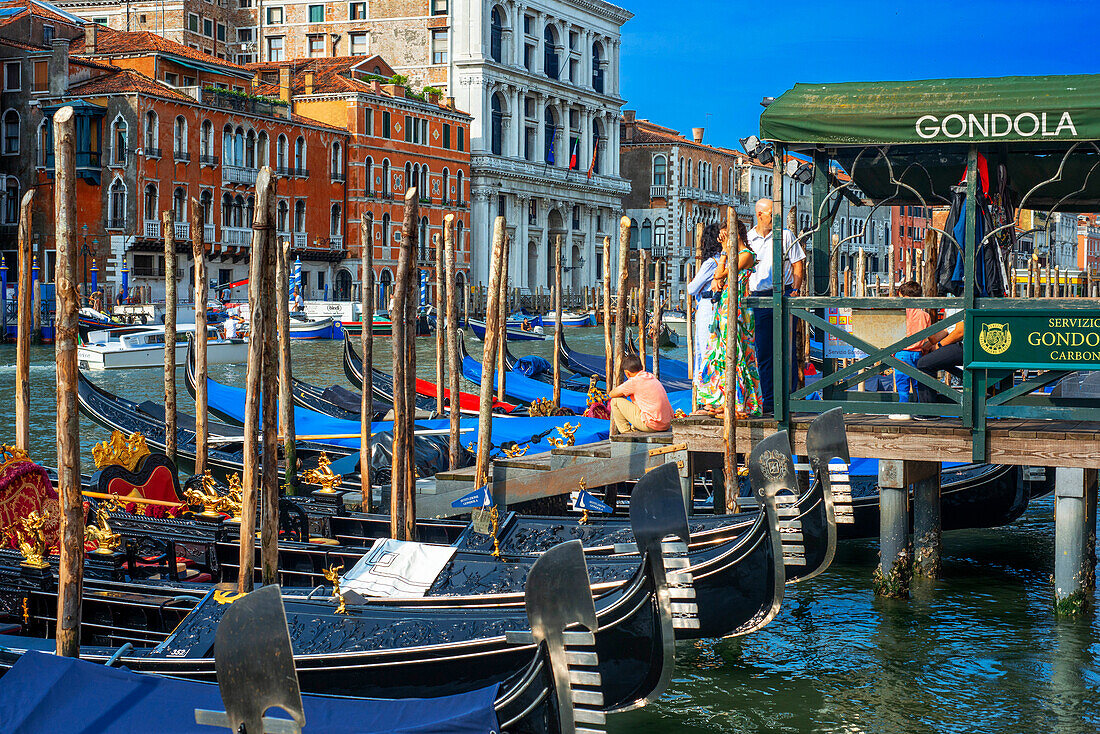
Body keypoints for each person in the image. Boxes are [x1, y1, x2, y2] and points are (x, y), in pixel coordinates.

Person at [696, 218, 762, 418]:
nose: (722, 240)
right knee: (719, 350)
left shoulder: (747, 255)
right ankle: (721, 399)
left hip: (738, 307)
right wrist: (725, 252)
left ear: (736, 235)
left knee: (738, 351)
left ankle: (740, 402)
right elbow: (717, 276)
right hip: (725, 306)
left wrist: (725, 251)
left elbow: (726, 273)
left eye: (725, 236)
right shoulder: (732, 254)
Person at [747, 198, 805, 414]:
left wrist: (795, 291)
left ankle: (788, 399)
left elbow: (798, 262)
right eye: (772, 213)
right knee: (762, 351)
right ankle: (768, 400)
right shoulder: (749, 238)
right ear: (760, 214)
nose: (775, 217)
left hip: (783, 294)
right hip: (757, 298)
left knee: (786, 349)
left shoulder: (785, 235)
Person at [889, 281, 940, 421]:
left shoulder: (899, 313)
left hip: (901, 353)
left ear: (901, 294)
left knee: (902, 384)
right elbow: (931, 337)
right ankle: (920, 411)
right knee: (918, 384)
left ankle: (903, 411)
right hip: (918, 353)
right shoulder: (924, 315)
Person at [685, 224, 724, 384]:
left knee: (703, 348)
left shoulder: (711, 263)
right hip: (720, 307)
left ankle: (702, 387)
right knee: (715, 347)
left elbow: (691, 288)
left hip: (708, 307)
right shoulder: (725, 260)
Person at [914, 305, 962, 415]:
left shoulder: (964, 299)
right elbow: (947, 329)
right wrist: (929, 344)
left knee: (924, 364)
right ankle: (929, 406)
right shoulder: (952, 303)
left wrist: (939, 345)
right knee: (925, 359)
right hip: (955, 343)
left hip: (965, 344)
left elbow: (960, 331)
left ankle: (929, 411)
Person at [607, 353, 672, 434]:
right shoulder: (651, 376)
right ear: (641, 367)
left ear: (627, 373)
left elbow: (611, 394)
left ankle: (626, 433)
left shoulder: (633, 382)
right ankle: (635, 428)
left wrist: (623, 391)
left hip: (653, 426)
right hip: (667, 423)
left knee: (615, 401)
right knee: (637, 401)